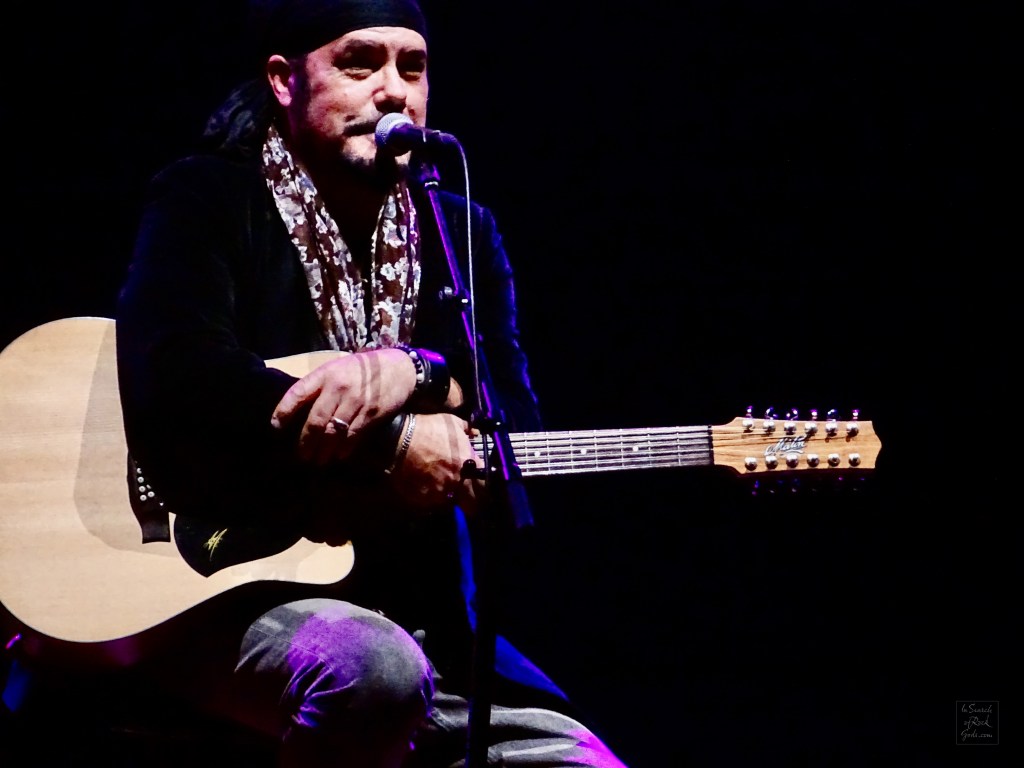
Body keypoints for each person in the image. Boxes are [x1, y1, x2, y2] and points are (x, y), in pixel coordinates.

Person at [112, 0, 630, 765]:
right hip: (216, 590)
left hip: (417, 615)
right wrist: (389, 445)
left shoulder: (460, 230)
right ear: (286, 83)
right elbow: (178, 376)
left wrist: (412, 369)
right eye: (361, 62)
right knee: (374, 670)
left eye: (412, 68)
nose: (394, 91)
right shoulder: (209, 198)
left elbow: (511, 422)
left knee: (579, 759)